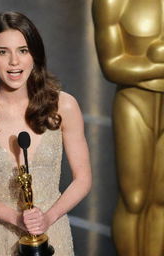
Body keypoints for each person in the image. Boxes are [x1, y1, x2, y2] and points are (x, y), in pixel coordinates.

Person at [0, 11, 92, 256]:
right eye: (2, 52)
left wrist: (48, 217)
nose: (14, 62)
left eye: (23, 50)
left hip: (52, 231)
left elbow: (82, 179)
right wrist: (17, 219)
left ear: (35, 56)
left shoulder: (64, 106)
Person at [92, 1, 164, 256]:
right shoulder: (112, 2)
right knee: (134, 199)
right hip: (134, 103)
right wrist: (156, 67)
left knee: (160, 200)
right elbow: (112, 65)